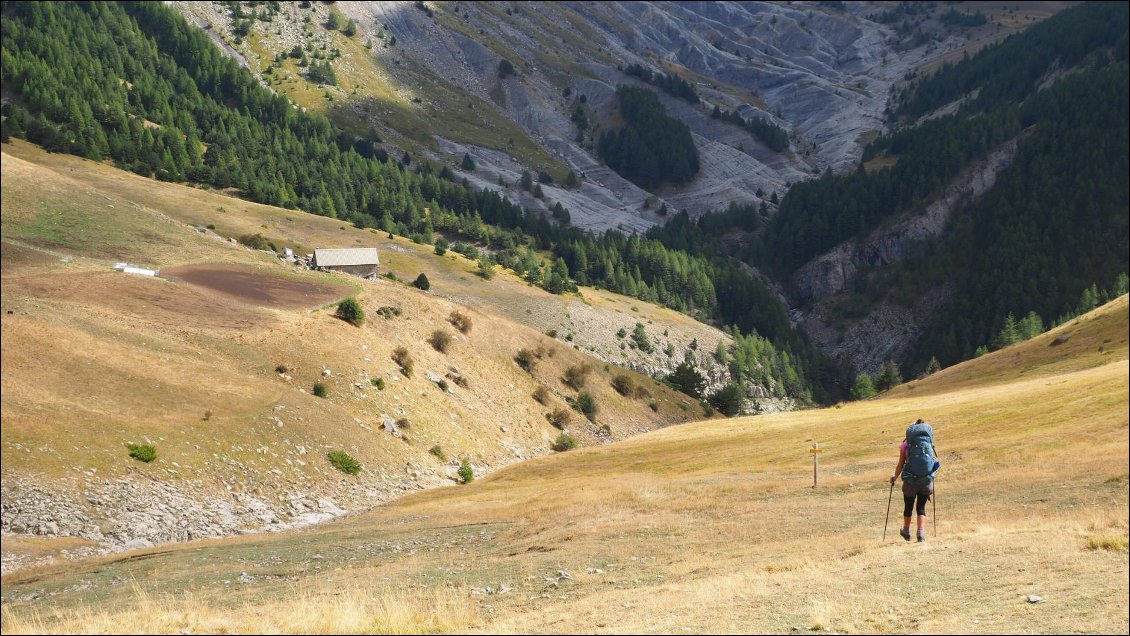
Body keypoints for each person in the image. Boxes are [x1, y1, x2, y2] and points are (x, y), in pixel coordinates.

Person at [890, 418, 938, 542]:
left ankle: (906, 530)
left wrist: (894, 477)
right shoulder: (929, 443)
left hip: (911, 480)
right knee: (921, 507)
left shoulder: (905, 445)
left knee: (908, 506)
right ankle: (921, 533)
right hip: (926, 479)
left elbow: (900, 464)